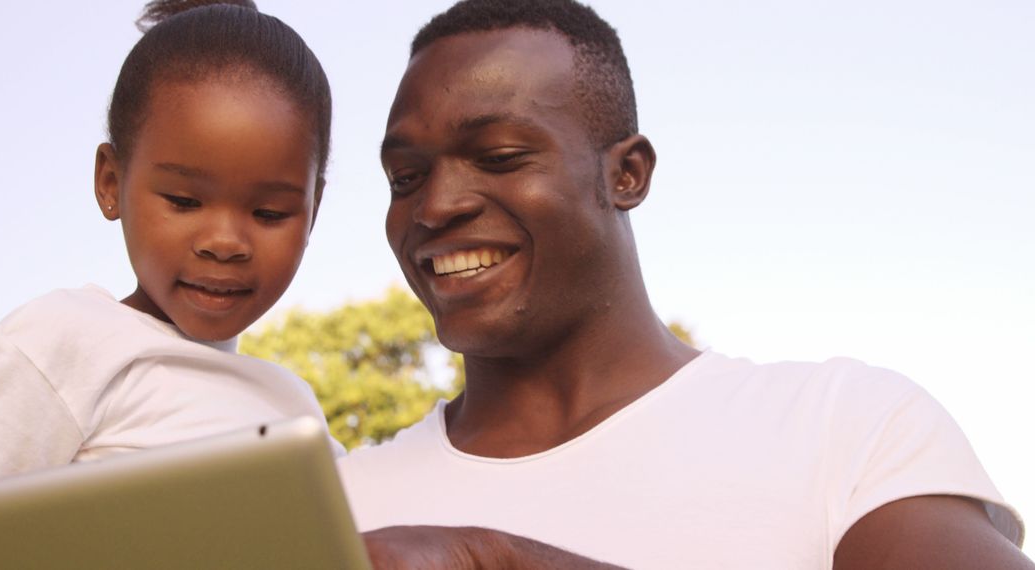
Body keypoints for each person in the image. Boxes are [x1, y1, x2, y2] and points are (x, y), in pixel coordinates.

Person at [337, 0, 1030, 568]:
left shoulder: (844, 427)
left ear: (627, 174)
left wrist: (503, 560)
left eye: (499, 157)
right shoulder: (337, 507)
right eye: (406, 178)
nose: (435, 206)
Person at [0, 0, 339, 487]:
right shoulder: (61, 344)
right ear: (111, 182)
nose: (224, 243)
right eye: (183, 200)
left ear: (313, 212)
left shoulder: (296, 409)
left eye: (268, 213)